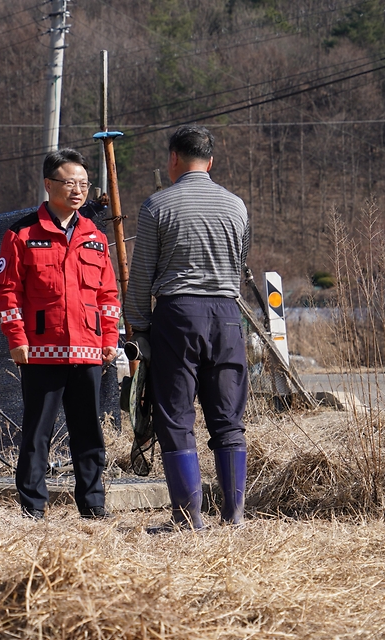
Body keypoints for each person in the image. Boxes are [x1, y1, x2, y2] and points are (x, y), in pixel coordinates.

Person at [124, 125, 250, 529]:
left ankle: (187, 518)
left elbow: (141, 274)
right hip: (228, 316)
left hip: (177, 315)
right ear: (211, 162)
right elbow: (239, 263)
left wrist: (139, 329)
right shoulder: (236, 206)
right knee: (228, 420)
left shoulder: (157, 206)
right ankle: (234, 516)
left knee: (176, 418)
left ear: (172, 159)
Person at [0, 148, 121, 520]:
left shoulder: (94, 237)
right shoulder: (22, 233)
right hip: (40, 351)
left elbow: (107, 295)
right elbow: (7, 290)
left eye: (83, 183)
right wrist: (16, 338)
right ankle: (33, 507)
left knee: (89, 432)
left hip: (87, 352)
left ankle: (93, 505)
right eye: (70, 183)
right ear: (49, 185)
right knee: (37, 433)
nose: (78, 190)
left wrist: (108, 338)